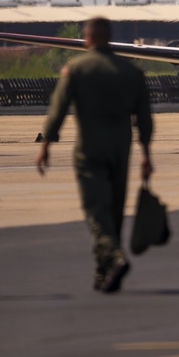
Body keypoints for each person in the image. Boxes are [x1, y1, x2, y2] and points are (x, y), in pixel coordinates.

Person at [37, 17, 154, 293]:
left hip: (89, 149)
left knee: (96, 209)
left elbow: (58, 109)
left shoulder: (77, 69)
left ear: (87, 38)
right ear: (110, 37)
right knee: (114, 209)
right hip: (120, 149)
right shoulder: (130, 71)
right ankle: (103, 272)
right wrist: (147, 154)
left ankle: (114, 257)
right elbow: (145, 118)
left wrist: (45, 144)